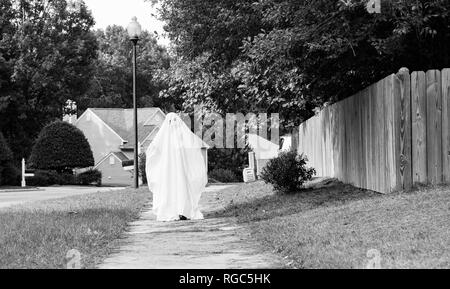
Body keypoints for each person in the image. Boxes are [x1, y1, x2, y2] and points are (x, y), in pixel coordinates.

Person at [145, 113, 207, 222]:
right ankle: (172, 210)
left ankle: (183, 210)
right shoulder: (163, 138)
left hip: (180, 171)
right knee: (170, 188)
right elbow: (154, 149)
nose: (173, 124)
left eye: (175, 121)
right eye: (171, 121)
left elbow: (192, 149)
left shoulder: (182, 137)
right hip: (167, 171)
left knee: (181, 188)